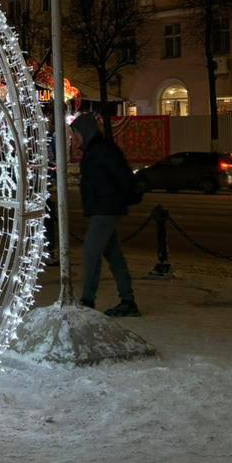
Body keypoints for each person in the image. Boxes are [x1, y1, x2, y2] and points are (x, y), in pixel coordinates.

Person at [70, 112, 140, 316]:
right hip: (103, 208)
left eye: (75, 134)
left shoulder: (102, 150)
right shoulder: (95, 150)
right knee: (113, 254)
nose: (74, 139)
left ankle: (88, 301)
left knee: (91, 252)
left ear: (85, 132)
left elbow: (122, 177)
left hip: (106, 209)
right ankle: (128, 301)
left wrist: (119, 199)